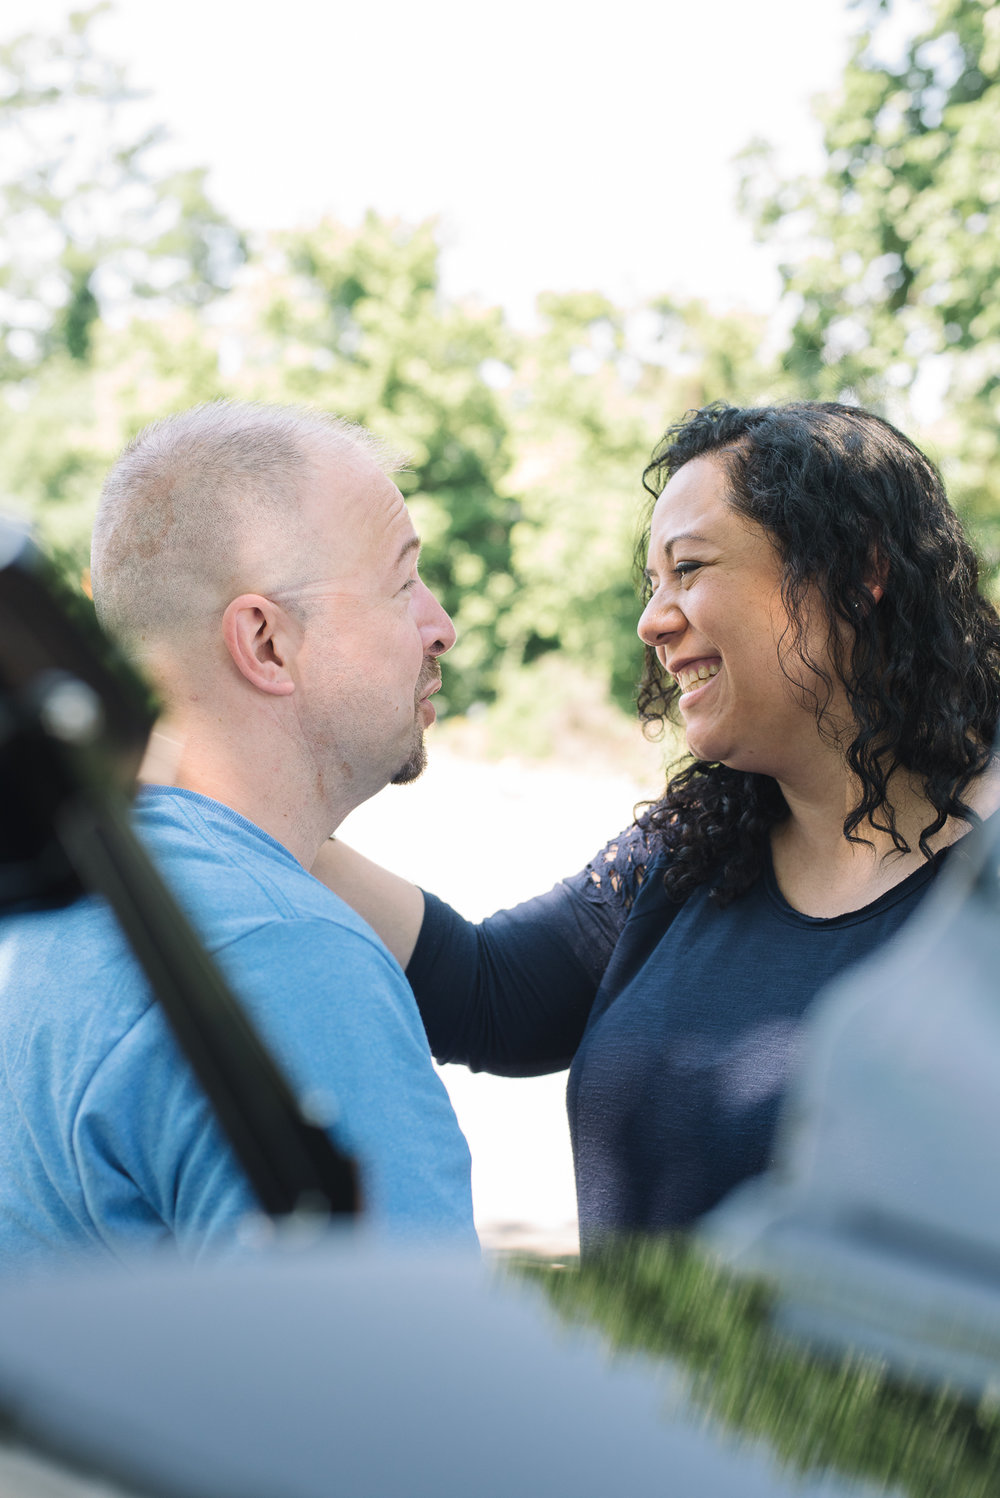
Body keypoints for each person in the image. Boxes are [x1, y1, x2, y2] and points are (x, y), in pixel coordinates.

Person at [315, 401, 1000, 1246]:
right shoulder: (692, 849)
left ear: (858, 574)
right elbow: (488, 992)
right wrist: (238, 801)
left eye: (690, 569)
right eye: (653, 584)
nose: (653, 621)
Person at [0, 401, 475, 1267]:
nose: (440, 624)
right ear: (264, 642)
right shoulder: (284, 957)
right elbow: (414, 1385)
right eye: (403, 583)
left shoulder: (69, 900)